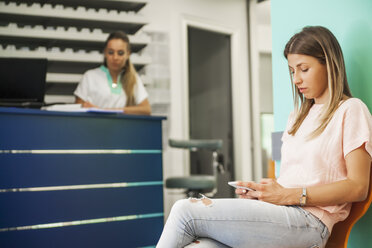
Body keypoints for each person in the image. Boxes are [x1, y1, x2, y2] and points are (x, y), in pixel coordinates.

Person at [156, 26, 372, 248]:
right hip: (280, 213)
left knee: (185, 211)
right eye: (291, 71)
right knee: (200, 247)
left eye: (303, 69)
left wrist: (289, 196)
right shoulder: (296, 117)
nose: (296, 79)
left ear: (329, 64)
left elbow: (358, 187)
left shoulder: (351, 110)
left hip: (311, 223)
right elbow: (292, 179)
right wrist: (265, 193)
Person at [74, 31, 151, 115]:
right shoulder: (90, 77)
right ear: (105, 53)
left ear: (128, 54)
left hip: (122, 127)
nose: (115, 57)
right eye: (111, 52)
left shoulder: (133, 79)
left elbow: (146, 110)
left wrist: (103, 110)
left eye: (120, 53)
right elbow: (78, 109)